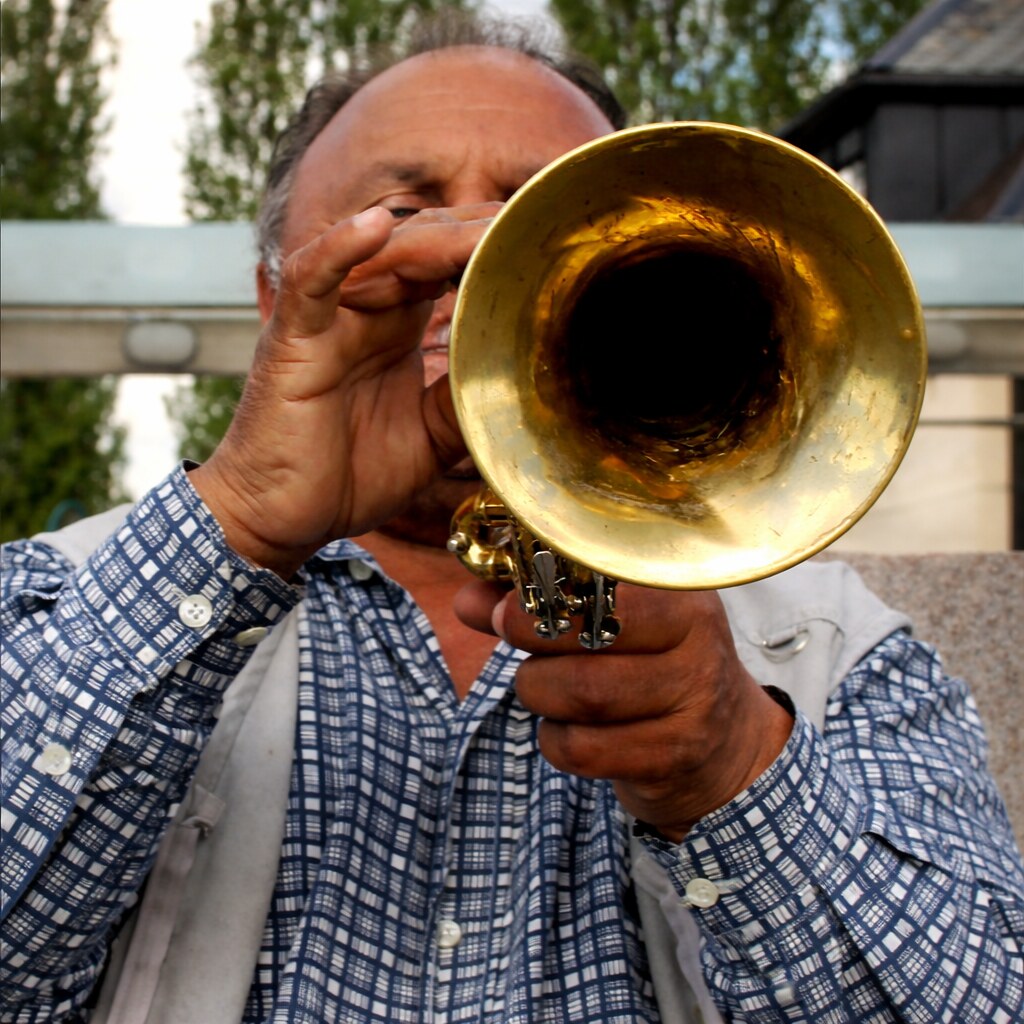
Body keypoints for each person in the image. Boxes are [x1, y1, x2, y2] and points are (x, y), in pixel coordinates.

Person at [2, 13, 1022, 1023]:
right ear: (278, 298)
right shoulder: (57, 600)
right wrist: (239, 521)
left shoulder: (836, 648)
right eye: (405, 211)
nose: (470, 265)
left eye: (539, 216)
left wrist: (732, 766)